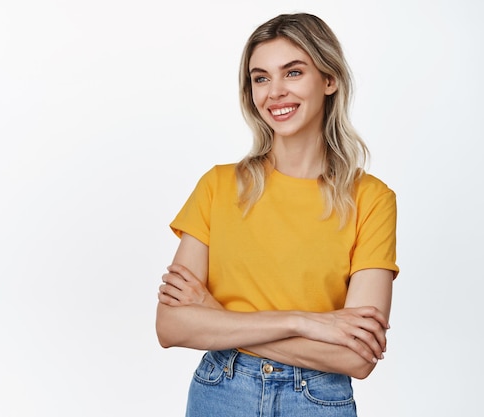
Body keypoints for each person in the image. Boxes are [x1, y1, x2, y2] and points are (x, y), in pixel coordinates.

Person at [155, 12, 399, 417]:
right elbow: (171, 326)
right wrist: (306, 323)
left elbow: (358, 358)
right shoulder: (218, 187)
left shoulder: (371, 199)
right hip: (221, 391)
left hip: (318, 400)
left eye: (293, 72)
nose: (275, 92)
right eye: (261, 78)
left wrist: (218, 318)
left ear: (329, 79)